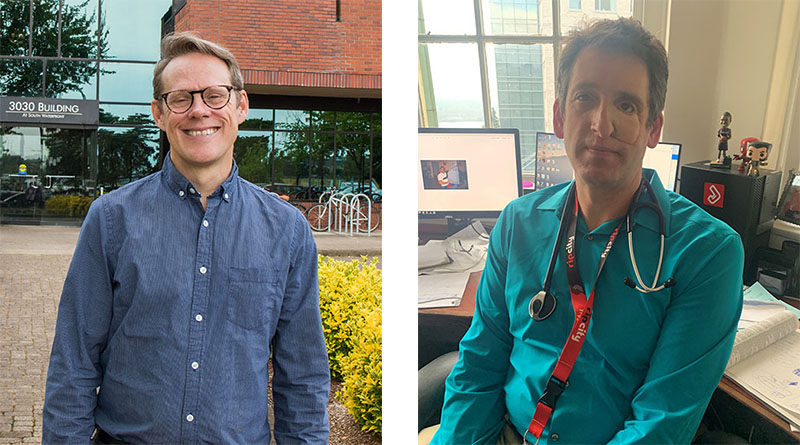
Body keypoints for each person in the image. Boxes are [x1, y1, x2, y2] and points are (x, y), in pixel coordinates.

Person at [427, 18, 743, 444]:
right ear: (560, 117)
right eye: (585, 98)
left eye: (626, 105)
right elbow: (479, 367)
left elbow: (661, 425)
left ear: (654, 128)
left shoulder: (708, 253)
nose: (601, 124)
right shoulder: (517, 223)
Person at [42, 32, 330, 444]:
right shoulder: (110, 220)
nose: (199, 111)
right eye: (181, 98)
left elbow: (302, 374)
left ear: (241, 105)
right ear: (160, 113)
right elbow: (74, 361)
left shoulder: (286, 230)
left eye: (215, 95)